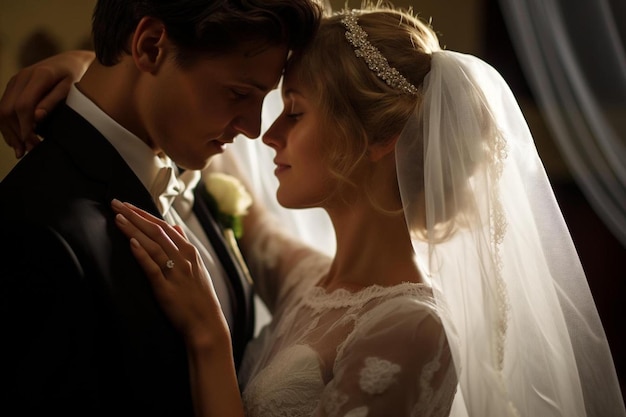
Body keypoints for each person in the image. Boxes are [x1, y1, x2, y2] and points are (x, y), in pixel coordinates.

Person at [3, 4, 625, 417]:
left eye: (289, 113)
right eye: (249, 100)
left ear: (383, 140)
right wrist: (89, 71)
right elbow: (169, 126)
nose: (259, 134)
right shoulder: (304, 277)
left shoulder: (413, 328)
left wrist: (210, 344)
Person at [0, 0, 321, 415]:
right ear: (150, 46)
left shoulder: (186, 154)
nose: (254, 128)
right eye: (239, 93)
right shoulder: (39, 233)